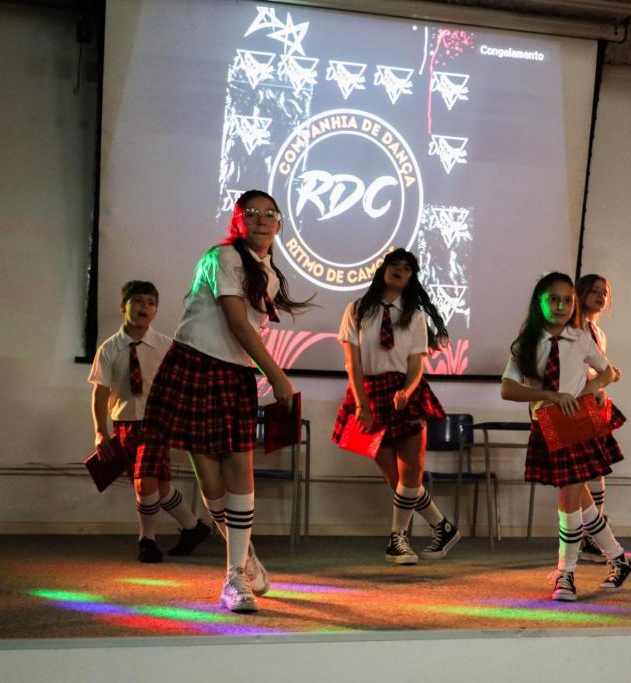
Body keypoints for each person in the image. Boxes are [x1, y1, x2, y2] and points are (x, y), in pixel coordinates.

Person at [138, 190, 309, 612]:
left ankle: (234, 575)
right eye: (251, 212)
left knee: (239, 468)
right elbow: (237, 322)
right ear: (238, 220)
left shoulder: (268, 273)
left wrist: (264, 373)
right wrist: (277, 376)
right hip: (195, 364)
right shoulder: (223, 257)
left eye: (270, 214)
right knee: (211, 482)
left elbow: (249, 328)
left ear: (279, 224)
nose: (261, 219)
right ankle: (244, 555)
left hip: (234, 374)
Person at [501, 272, 631, 601]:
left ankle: (566, 573)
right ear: (540, 302)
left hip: (579, 423)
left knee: (569, 499)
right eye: (554, 300)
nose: (561, 306)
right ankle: (619, 559)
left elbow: (608, 371)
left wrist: (588, 390)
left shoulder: (580, 338)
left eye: (567, 300)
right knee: (581, 500)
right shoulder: (527, 343)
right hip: (548, 423)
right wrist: (551, 395)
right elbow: (508, 389)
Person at [332, 248, 460, 565]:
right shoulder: (357, 309)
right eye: (394, 264)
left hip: (406, 390)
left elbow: (416, 364)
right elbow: (352, 363)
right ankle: (442, 527)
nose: (399, 270)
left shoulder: (414, 316)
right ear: (383, 269)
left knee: (411, 470)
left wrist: (407, 390)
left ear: (412, 277)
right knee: (396, 479)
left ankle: (397, 539)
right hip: (370, 392)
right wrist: (361, 405)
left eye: (406, 267)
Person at [89, 281, 210, 563]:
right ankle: (193, 527)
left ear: (156, 311)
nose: (145, 307)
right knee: (159, 487)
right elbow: (100, 393)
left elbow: (185, 384)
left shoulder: (166, 346)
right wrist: (100, 431)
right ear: (124, 306)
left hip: (158, 422)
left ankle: (147, 540)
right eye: (138, 301)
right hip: (125, 423)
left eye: (151, 303)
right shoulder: (109, 348)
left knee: (144, 484)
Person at [574, 273, 625, 563]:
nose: (600, 296)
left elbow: (595, 367)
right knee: (578, 475)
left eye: (604, 292)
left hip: (593, 403)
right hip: (575, 403)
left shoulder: (598, 332)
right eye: (593, 291)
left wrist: (605, 379)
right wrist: (598, 380)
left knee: (596, 470)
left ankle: (592, 533)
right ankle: (590, 533)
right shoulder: (574, 328)